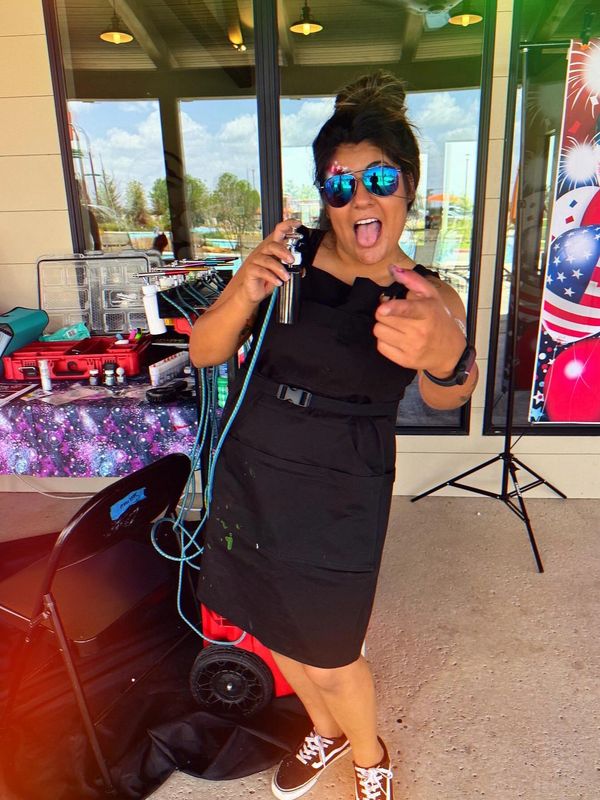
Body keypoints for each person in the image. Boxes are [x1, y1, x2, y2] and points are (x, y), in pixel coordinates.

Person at [189, 70, 478, 800]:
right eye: (340, 185)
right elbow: (205, 350)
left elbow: (448, 391)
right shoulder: (286, 261)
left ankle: (369, 755)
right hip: (256, 464)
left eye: (379, 178)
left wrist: (450, 354)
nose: (360, 200)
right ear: (325, 197)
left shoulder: (428, 294)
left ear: (408, 187)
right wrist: (243, 288)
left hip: (344, 481)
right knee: (273, 624)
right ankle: (324, 731)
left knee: (332, 650)